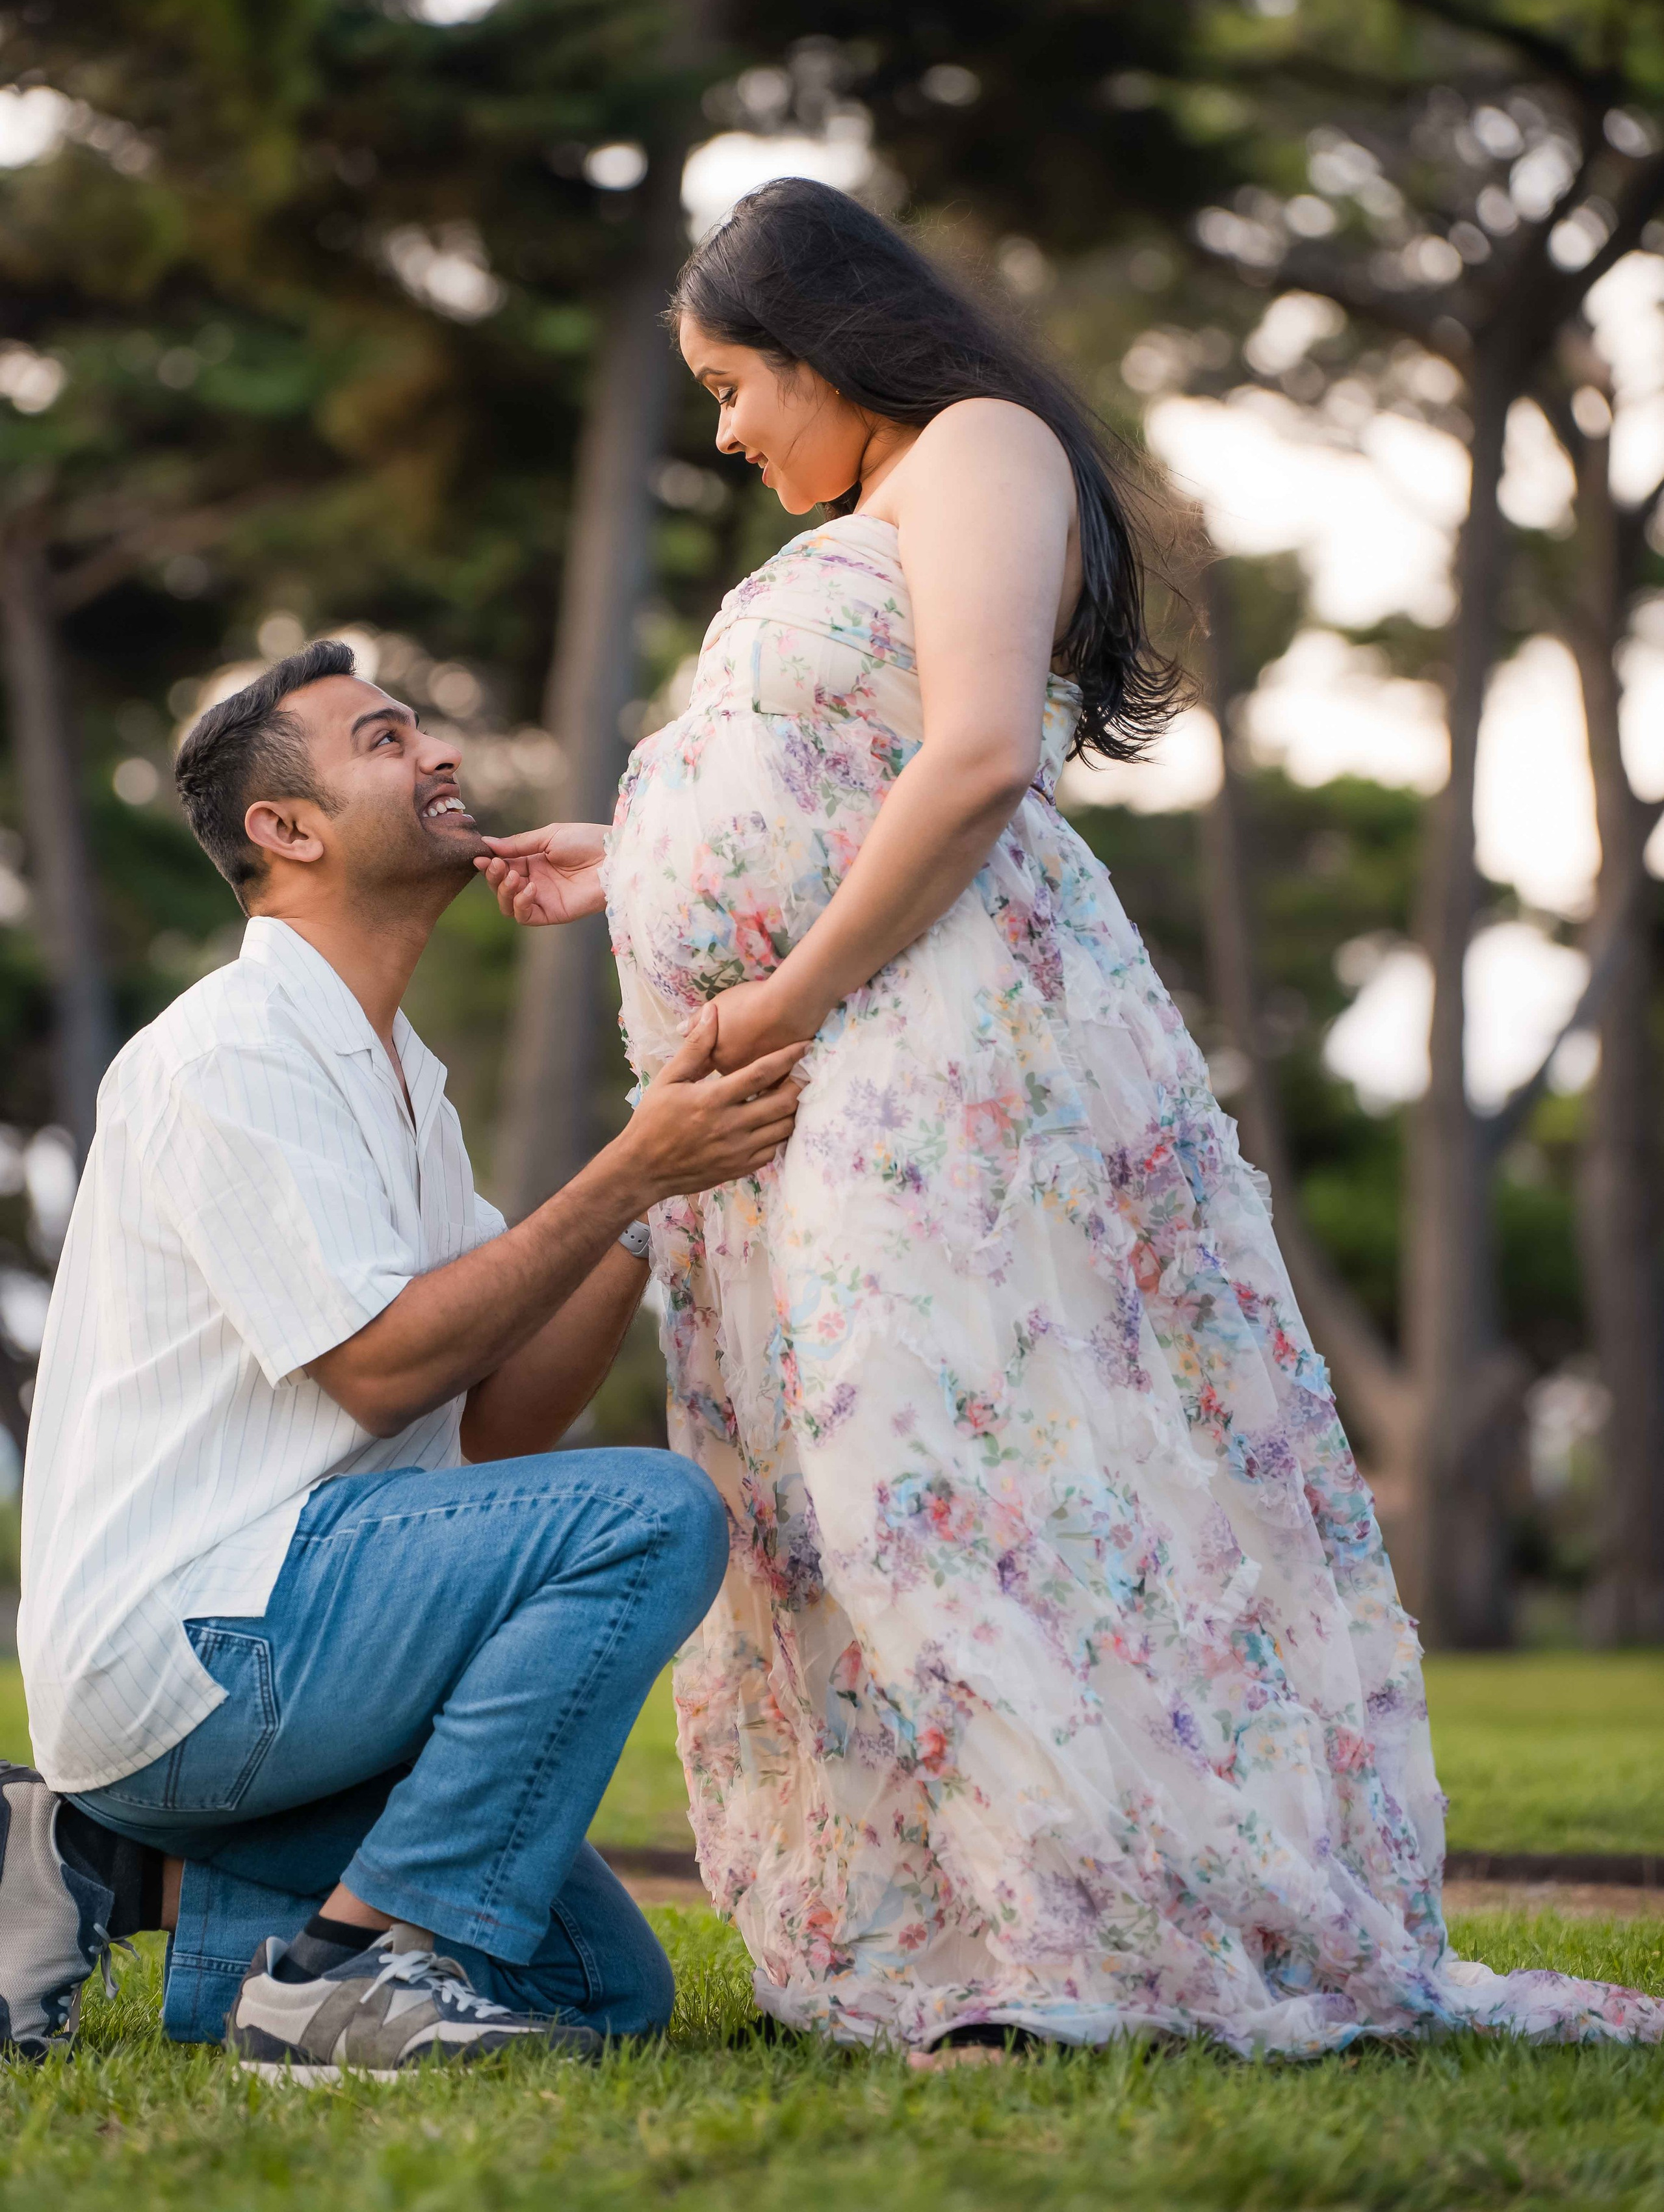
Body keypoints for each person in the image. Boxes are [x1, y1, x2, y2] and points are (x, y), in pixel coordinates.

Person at [491, 178, 1663, 2061]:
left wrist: (782, 995)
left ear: (825, 348)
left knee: (952, 1456)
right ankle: (955, 1925)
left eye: (732, 382)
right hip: (818, 1089)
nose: (723, 429)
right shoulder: (881, 499)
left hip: (935, 1052)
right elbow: (832, 776)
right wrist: (634, 854)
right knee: (842, 1489)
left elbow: (965, 762)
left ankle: (1076, 1940)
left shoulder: (980, 444)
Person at [2, 639, 805, 2070]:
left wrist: (658, 1185)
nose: (436, 753)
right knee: (653, 1509)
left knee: (597, 1987)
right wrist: (628, 1169)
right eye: (384, 739)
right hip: (195, 1641)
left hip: (303, 1639)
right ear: (286, 829)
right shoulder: (231, 1052)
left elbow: (489, 1426)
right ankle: (343, 1971)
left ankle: (89, 1869)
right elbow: (380, 1369)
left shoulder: (402, 1082)